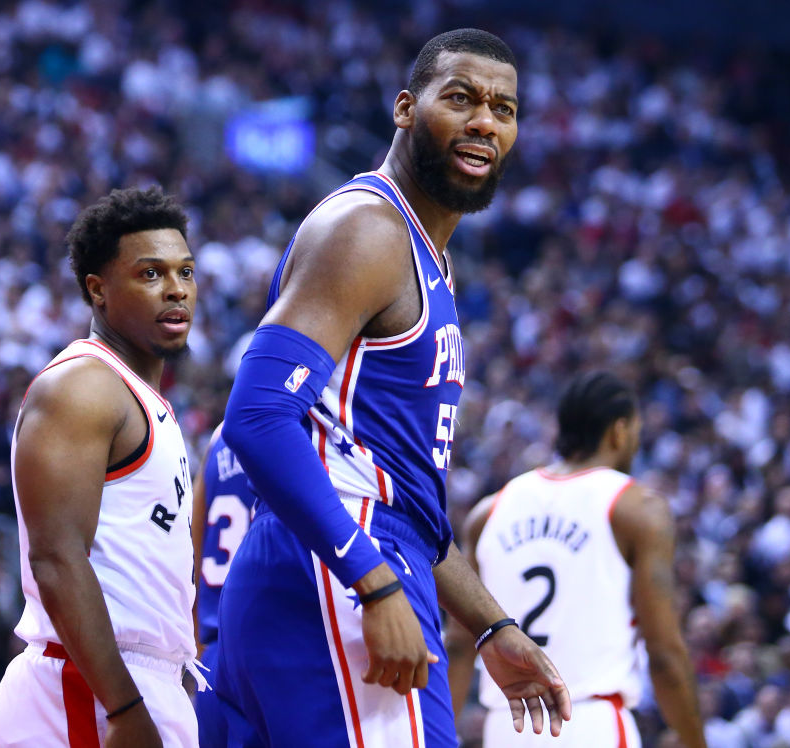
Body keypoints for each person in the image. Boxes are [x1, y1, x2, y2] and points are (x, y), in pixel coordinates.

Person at [217, 28, 571, 748]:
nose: (484, 121)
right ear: (406, 108)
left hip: (338, 559)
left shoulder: (426, 254)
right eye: (462, 98)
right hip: (341, 568)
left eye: (503, 109)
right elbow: (256, 415)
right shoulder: (369, 230)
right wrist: (372, 582)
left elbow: (409, 502)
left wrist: (494, 626)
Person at [0, 187, 203, 748]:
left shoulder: (138, 396)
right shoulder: (83, 387)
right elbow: (56, 558)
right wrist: (124, 706)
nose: (177, 289)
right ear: (98, 290)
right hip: (89, 686)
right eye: (151, 274)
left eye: (185, 271)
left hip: (135, 682)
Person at [446, 371, 706, 748]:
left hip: (506, 725)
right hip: (590, 720)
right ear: (619, 431)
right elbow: (664, 653)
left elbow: (458, 646)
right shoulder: (637, 509)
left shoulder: (489, 512)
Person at [190, 424, 256, 745]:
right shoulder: (306, 422)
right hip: (271, 653)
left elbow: (191, 540)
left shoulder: (218, 435)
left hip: (211, 656)